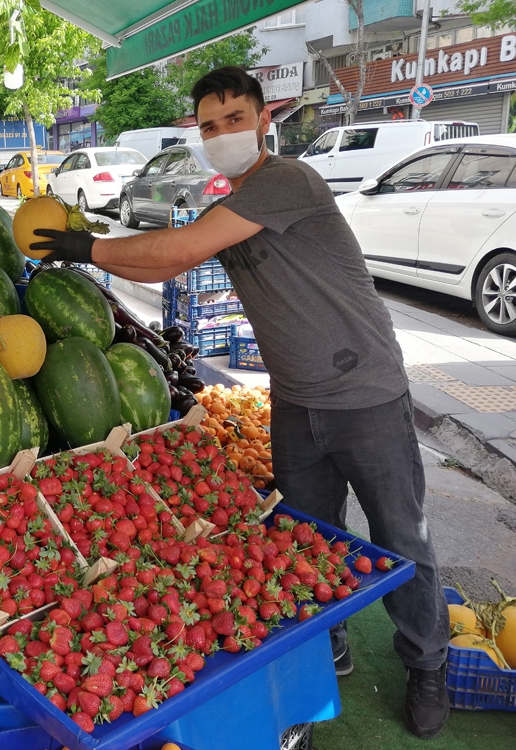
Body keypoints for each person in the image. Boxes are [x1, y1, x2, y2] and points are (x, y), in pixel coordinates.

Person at [30, 66, 451, 740]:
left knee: (401, 535)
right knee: (305, 536)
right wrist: (89, 256)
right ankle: (325, 640)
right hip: (294, 400)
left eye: (233, 120)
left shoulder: (286, 182)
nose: (221, 134)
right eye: (207, 126)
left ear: (263, 121)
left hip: (364, 390)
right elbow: (166, 261)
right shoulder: (232, 199)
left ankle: (427, 662)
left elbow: (183, 246)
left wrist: (89, 244)